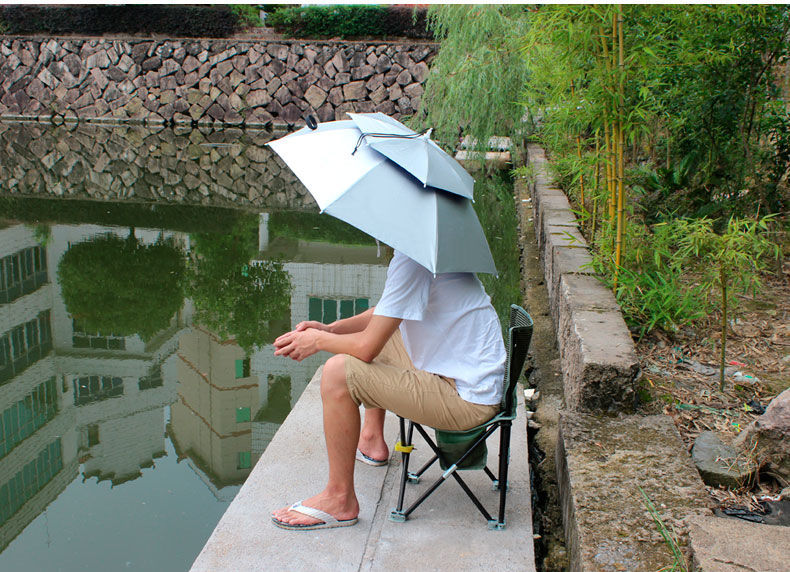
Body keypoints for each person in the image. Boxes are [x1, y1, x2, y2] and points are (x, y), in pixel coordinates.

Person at [271, 250, 506, 530]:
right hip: (473, 379)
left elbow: (366, 347)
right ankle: (370, 439)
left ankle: (340, 499)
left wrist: (318, 340)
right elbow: (386, 312)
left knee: (337, 374)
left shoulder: (413, 259)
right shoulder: (432, 252)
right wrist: (332, 329)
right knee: (389, 333)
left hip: (466, 398)